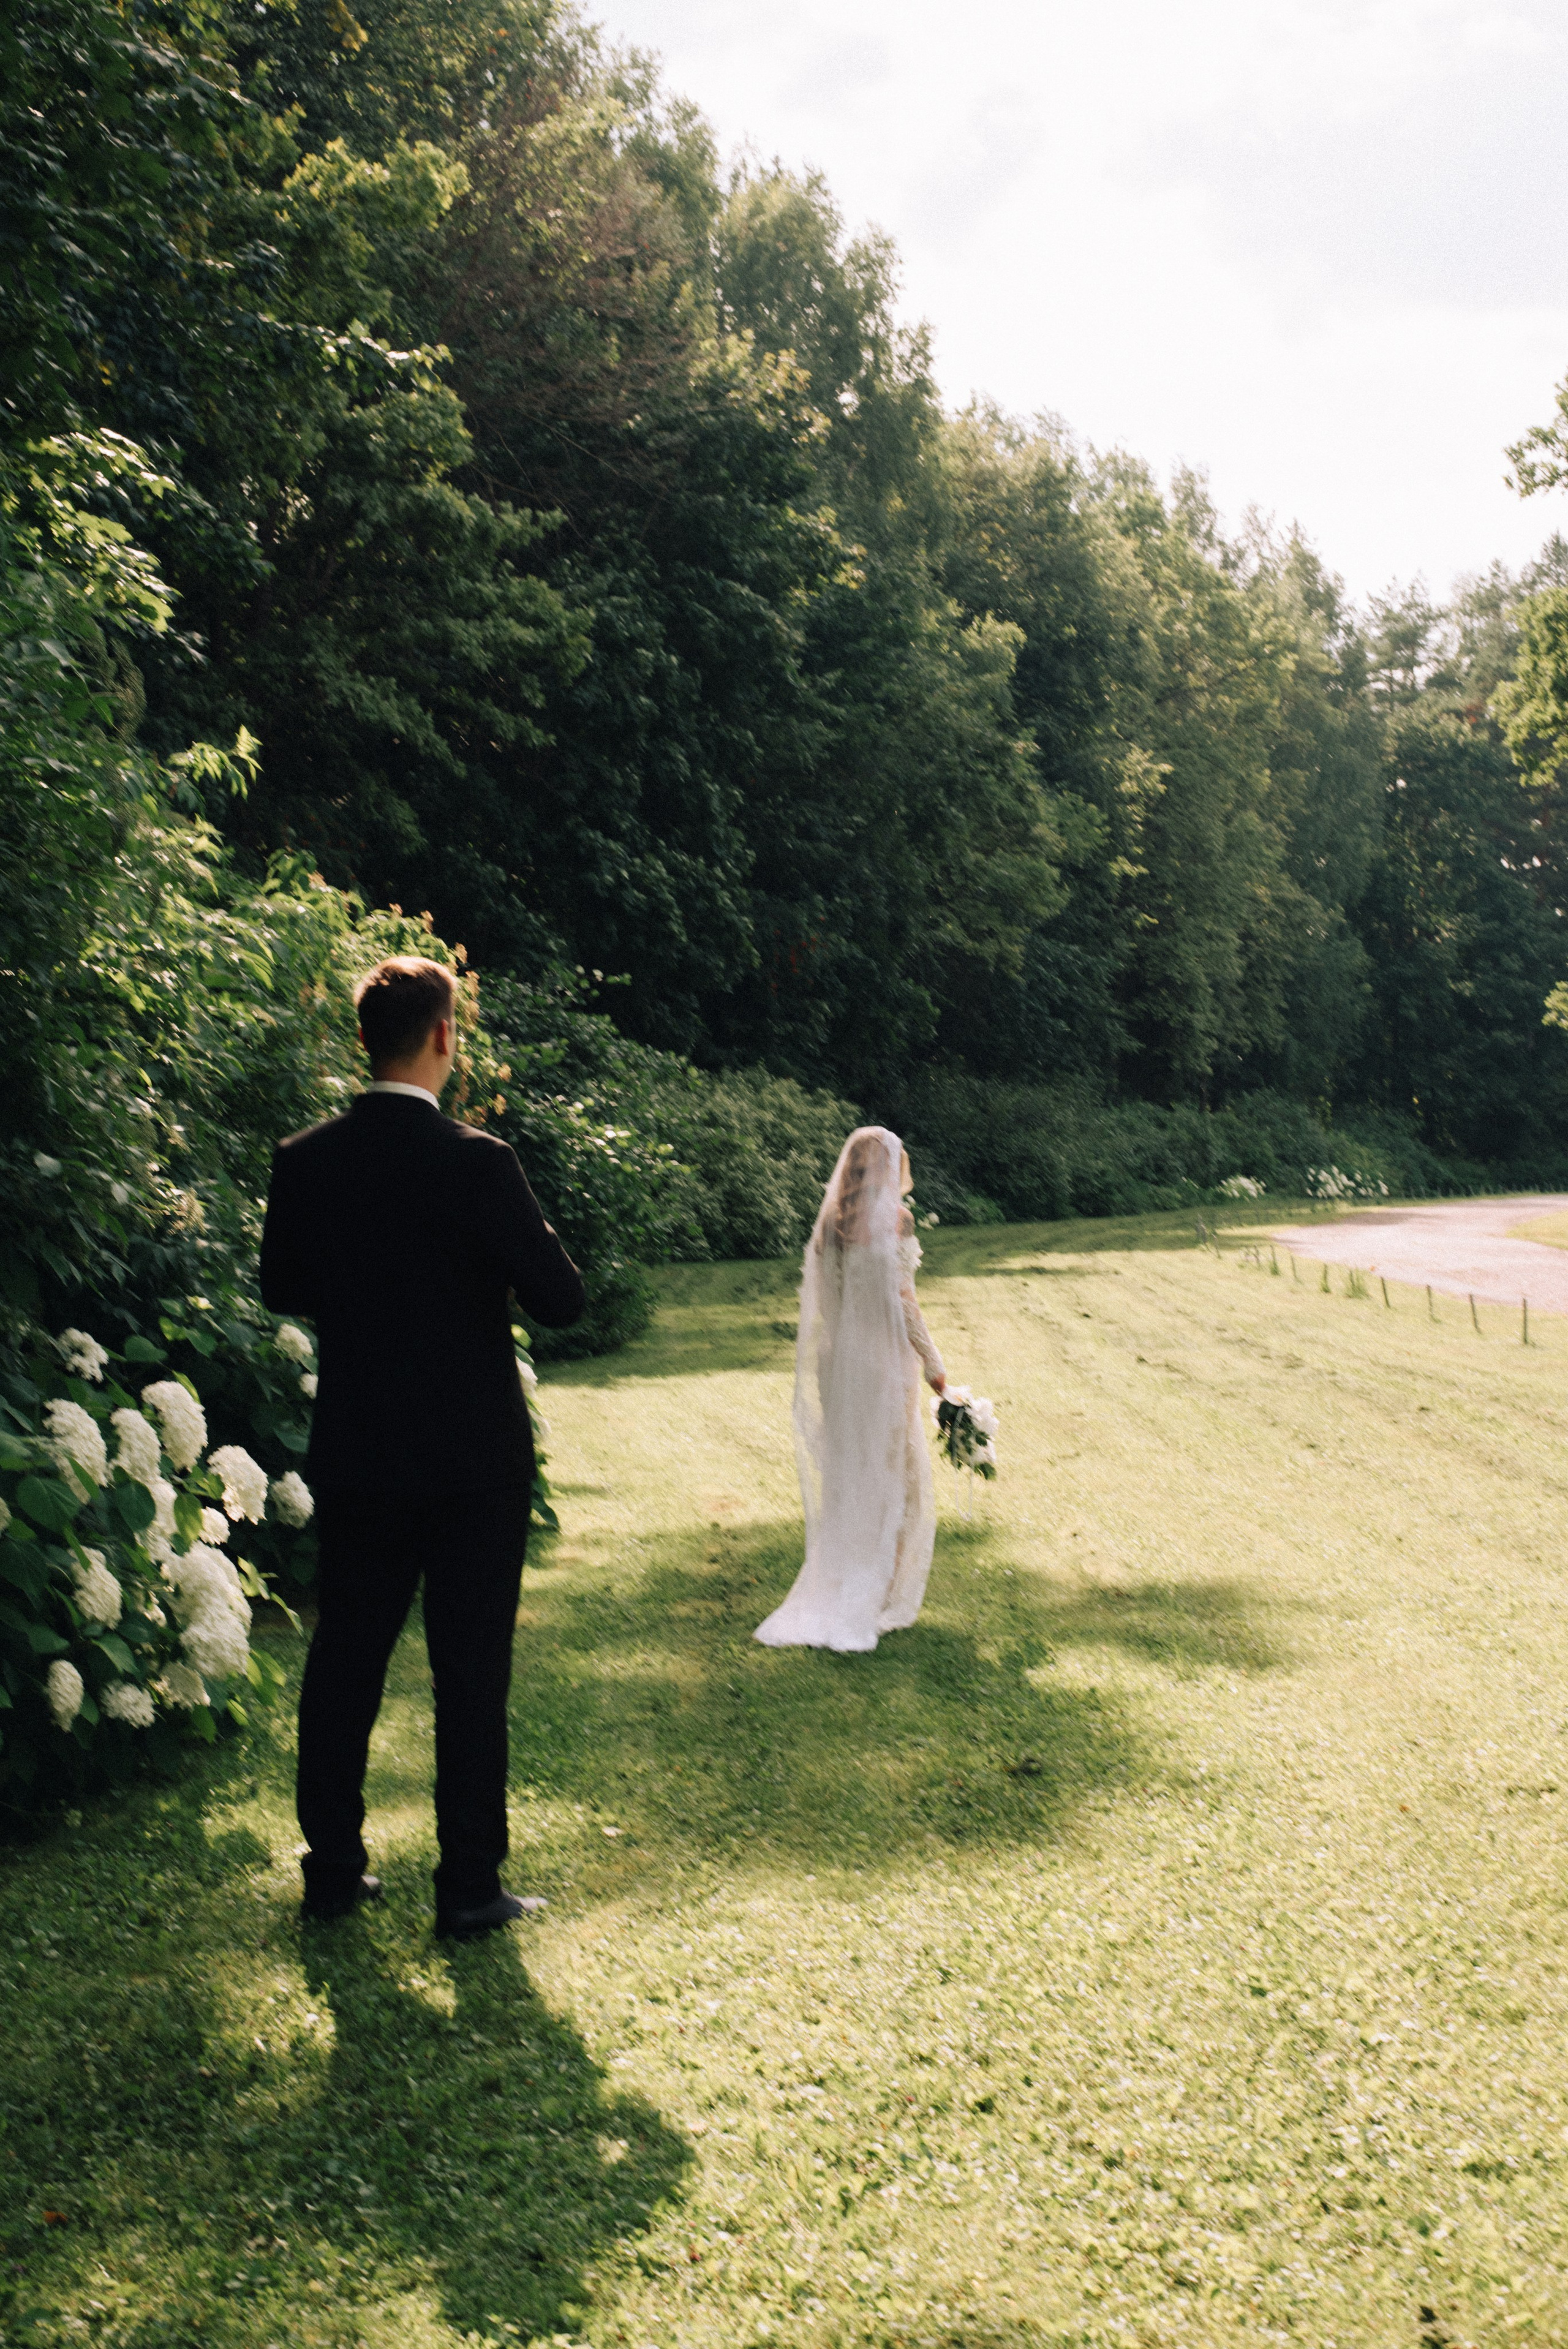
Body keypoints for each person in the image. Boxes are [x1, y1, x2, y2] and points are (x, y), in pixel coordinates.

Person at [260, 956, 585, 1937]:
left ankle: (333, 1870)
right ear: (444, 1035)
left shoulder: (305, 1157)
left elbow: (282, 1287)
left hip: (360, 1448)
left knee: (345, 1658)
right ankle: (469, 1885)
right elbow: (561, 1297)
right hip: (474, 1460)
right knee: (471, 1671)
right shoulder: (480, 1162)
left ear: (364, 1037)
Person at [754, 1125, 946, 1653]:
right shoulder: (897, 1220)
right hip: (884, 1363)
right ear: (886, 1166)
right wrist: (934, 1364)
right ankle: (878, 1592)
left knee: (851, 1475)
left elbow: (827, 1302)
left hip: (839, 1364)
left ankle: (845, 1580)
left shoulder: (830, 1225)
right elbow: (905, 1301)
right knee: (898, 1476)